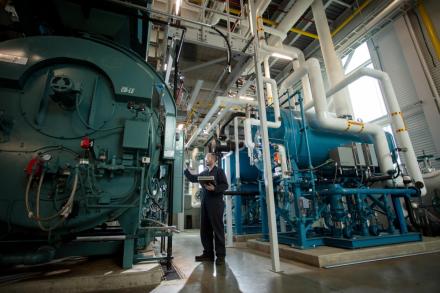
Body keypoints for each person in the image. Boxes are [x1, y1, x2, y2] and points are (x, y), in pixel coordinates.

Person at [184, 153, 229, 265]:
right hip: (205, 204)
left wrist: (215, 188)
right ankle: (208, 254)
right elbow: (193, 178)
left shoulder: (219, 171)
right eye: (206, 158)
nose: (206, 159)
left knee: (217, 229)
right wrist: (185, 169)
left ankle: (221, 256)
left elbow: (225, 185)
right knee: (205, 230)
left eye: (208, 157)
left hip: (216, 204)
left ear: (213, 159)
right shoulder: (204, 173)